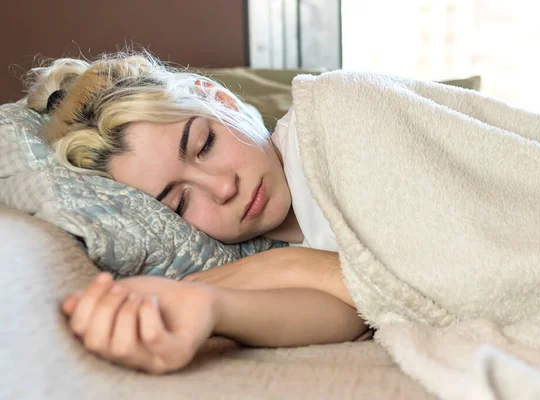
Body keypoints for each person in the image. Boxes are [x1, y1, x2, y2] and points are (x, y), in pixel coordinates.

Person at [26, 52, 369, 374]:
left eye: (205, 144)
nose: (223, 188)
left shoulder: (330, 121)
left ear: (222, 101)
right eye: (180, 203)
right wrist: (210, 306)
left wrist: (282, 267)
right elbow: (355, 315)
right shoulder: (275, 251)